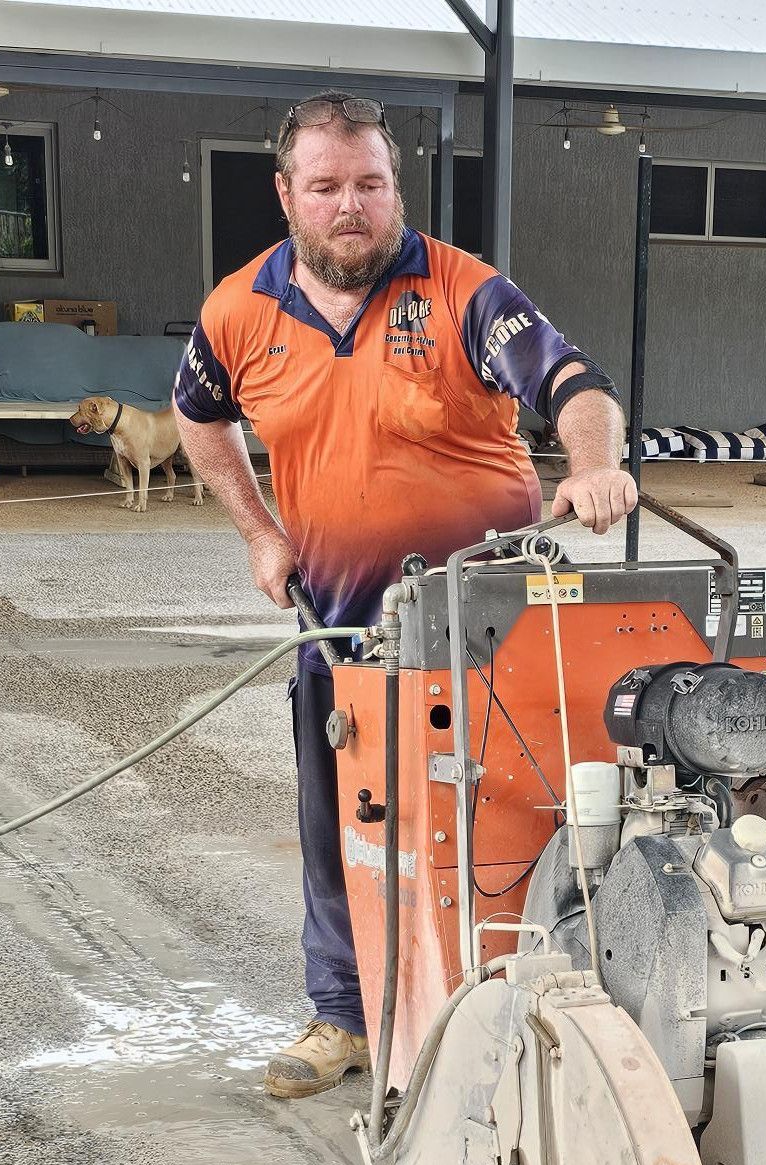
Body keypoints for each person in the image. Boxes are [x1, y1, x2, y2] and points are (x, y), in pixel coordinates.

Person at [174, 90, 636, 1098]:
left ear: (396, 188)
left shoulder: (463, 291)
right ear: (287, 193)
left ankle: (529, 996)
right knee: (345, 818)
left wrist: (593, 462)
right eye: (328, 186)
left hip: (498, 617)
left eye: (370, 184)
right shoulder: (238, 310)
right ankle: (344, 1016)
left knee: (526, 807)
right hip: (341, 625)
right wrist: (260, 531)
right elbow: (196, 415)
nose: (352, 205)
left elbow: (573, 381)